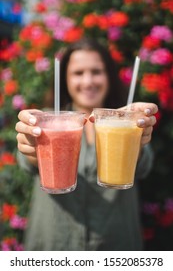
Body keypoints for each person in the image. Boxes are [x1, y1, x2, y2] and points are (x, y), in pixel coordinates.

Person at [15, 38, 158, 251]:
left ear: (108, 75)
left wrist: (136, 137)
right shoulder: (46, 121)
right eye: (78, 73)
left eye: (96, 71)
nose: (88, 81)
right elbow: (29, 160)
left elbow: (144, 163)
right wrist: (32, 145)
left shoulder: (126, 121)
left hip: (116, 248)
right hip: (54, 247)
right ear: (65, 79)